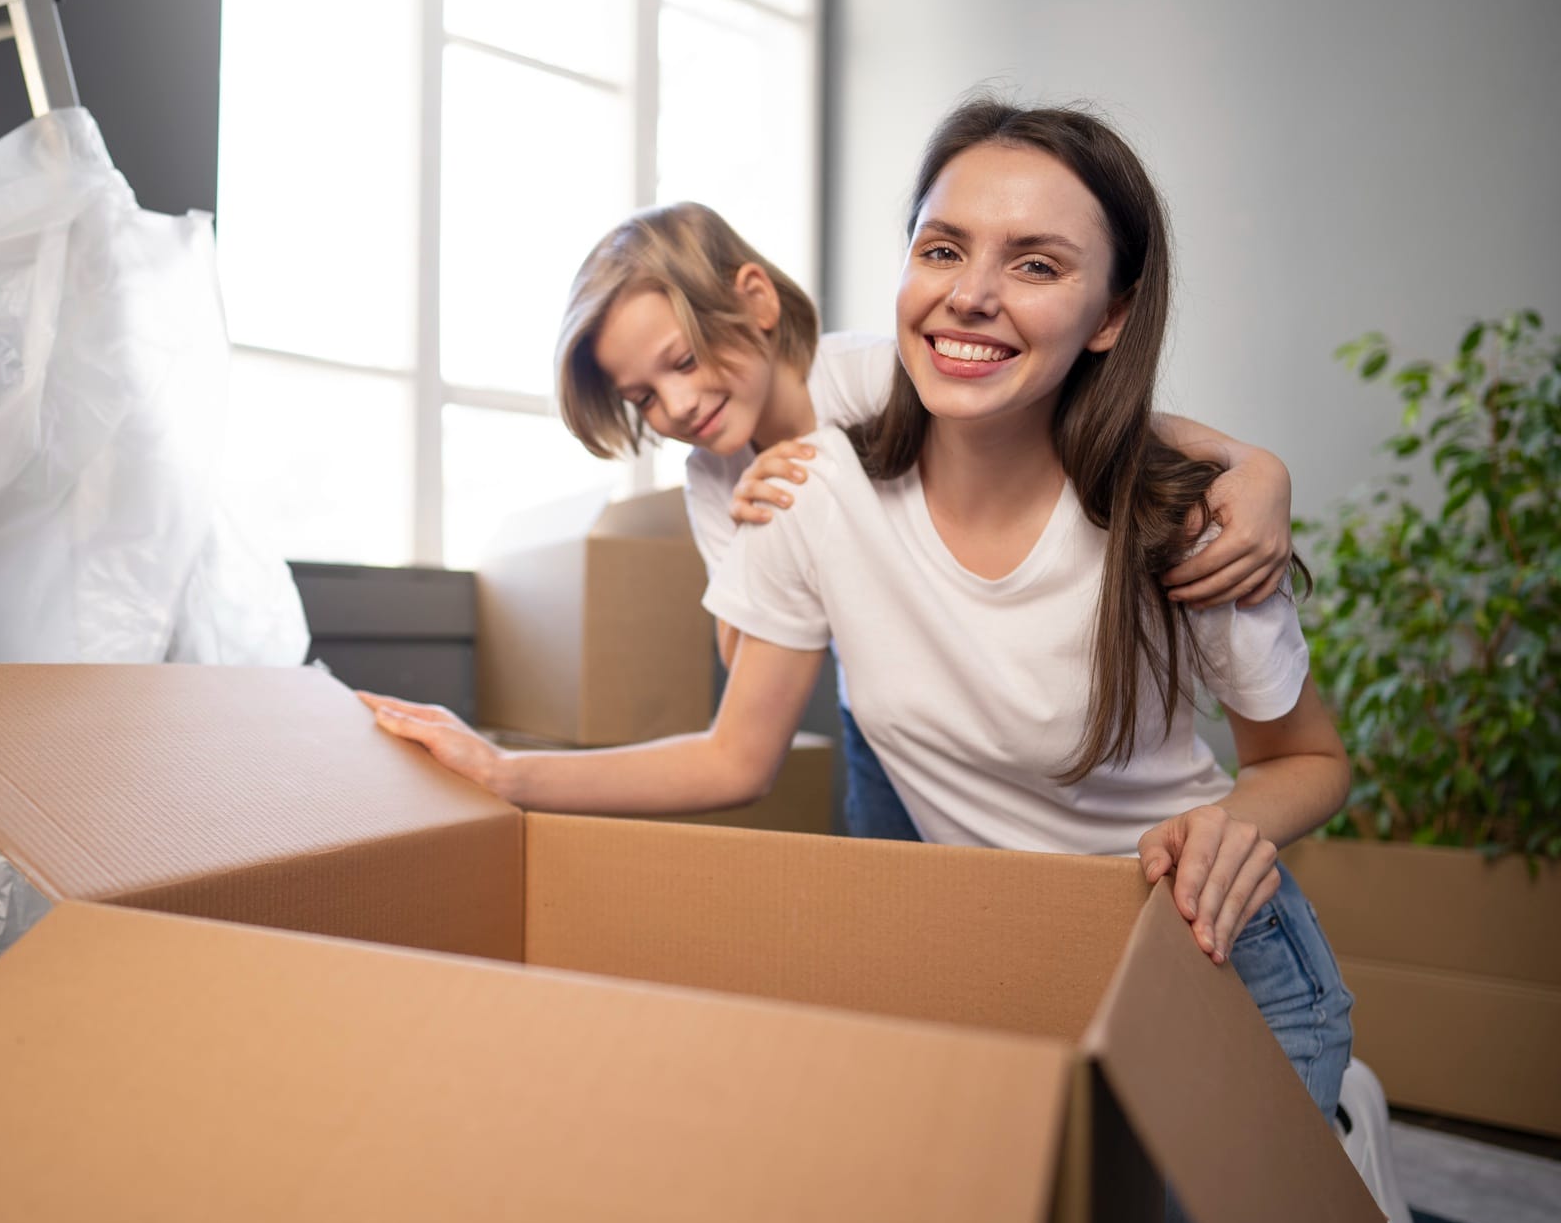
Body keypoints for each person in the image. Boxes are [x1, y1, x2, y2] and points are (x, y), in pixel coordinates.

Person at [363, 97, 1354, 1130]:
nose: (970, 298)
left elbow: (1118, 437)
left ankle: (1334, 1151)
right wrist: (507, 768)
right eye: (941, 249)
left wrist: (1255, 466)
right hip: (977, 858)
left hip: (1208, 951)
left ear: (1109, 312)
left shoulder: (1148, 506)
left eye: (1034, 264)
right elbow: (737, 732)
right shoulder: (770, 489)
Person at [547, 199, 1298, 844]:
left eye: (680, 362)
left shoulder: (877, 375)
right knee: (898, 898)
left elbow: (1094, 424)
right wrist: (756, 536)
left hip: (981, 681)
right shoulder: (712, 480)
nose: (674, 408)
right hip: (881, 715)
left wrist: (1254, 466)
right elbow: (745, 662)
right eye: (642, 396)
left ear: (756, 301)